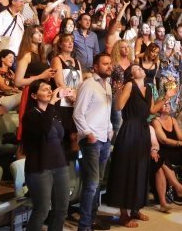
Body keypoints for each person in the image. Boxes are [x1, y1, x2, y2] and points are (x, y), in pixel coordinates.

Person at [105, 65, 176, 228]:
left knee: (141, 169)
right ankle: (124, 214)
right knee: (126, 169)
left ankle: (135, 209)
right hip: (130, 129)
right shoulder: (130, 85)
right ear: (131, 74)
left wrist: (166, 97)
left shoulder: (149, 88)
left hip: (143, 130)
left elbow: (151, 110)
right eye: (136, 68)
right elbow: (118, 107)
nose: (140, 69)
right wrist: (119, 90)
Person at [21, 80, 70, 231]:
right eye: (44, 89)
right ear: (34, 95)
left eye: (50, 89)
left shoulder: (53, 113)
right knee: (41, 211)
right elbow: (43, 128)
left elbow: (62, 136)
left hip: (60, 166)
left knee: (61, 210)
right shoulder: (30, 116)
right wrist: (52, 105)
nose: (49, 91)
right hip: (40, 168)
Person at [73, 53, 114, 231]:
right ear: (95, 67)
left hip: (104, 138)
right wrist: (88, 134)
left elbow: (106, 111)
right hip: (92, 140)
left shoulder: (108, 86)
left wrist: (110, 129)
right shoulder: (88, 85)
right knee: (91, 184)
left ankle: (92, 219)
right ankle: (84, 225)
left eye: (110, 63)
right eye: (105, 64)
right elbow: (78, 113)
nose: (109, 66)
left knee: (97, 182)